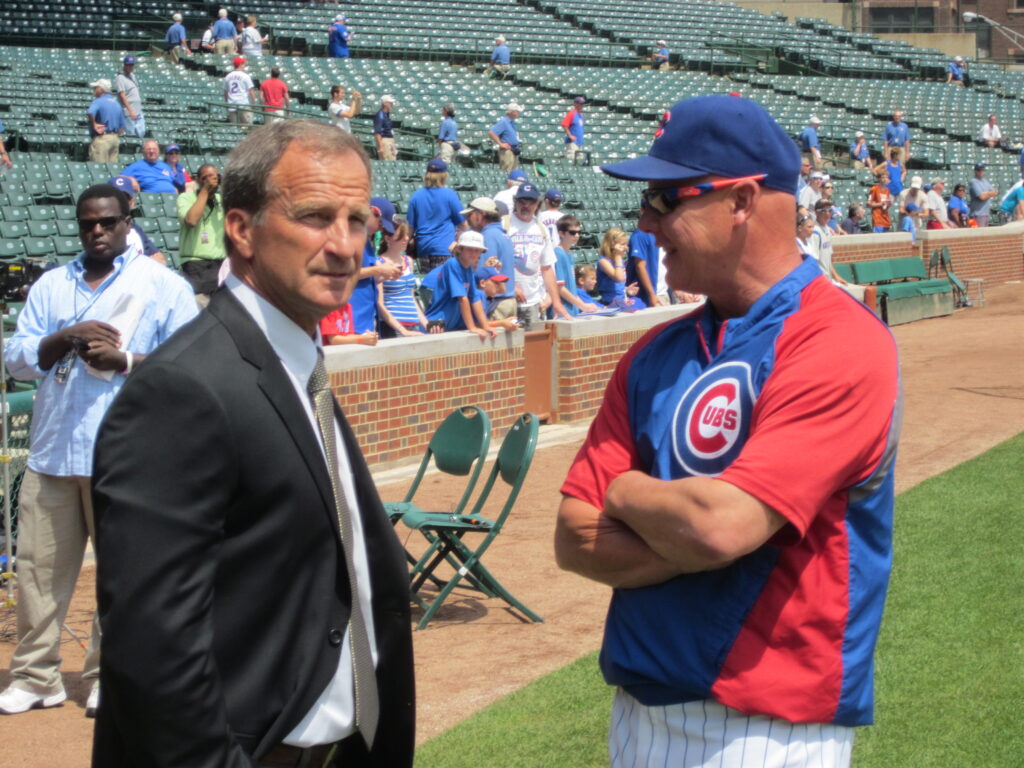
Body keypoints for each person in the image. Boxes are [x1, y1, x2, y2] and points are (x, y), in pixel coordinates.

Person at [556, 94, 901, 768]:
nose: (645, 222)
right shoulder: (653, 354)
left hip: (768, 733)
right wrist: (704, 534)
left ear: (741, 201)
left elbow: (722, 529)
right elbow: (574, 536)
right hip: (636, 715)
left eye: (664, 198)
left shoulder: (839, 341)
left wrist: (625, 494)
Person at [90, 120, 415, 766]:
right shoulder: (182, 389)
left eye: (358, 221)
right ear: (240, 230)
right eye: (317, 216)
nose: (345, 244)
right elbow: (155, 653)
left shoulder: (294, 364)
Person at [0, 183, 197, 720]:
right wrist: (64, 337)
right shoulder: (50, 285)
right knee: (37, 571)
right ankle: (36, 676)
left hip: (126, 455)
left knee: (122, 575)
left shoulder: (161, 284)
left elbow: (191, 368)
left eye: (108, 222)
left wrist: (127, 359)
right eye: (88, 223)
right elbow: (16, 359)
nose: (97, 232)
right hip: (53, 449)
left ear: (128, 219)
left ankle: (110, 677)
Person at [505, 183, 570, 324]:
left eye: (531, 202)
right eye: (522, 201)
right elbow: (493, 262)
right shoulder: (505, 225)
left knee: (533, 344)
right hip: (506, 301)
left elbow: (547, 268)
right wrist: (510, 286)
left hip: (532, 302)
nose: (526, 206)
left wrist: (556, 302)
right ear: (515, 201)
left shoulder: (541, 229)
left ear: (537, 204)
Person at [424, 230, 497, 339]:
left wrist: (485, 326)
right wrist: (472, 328)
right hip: (437, 324)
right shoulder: (453, 263)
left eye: (477, 250)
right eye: (469, 249)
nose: (473, 253)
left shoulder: (468, 269)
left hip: (450, 325)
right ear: (459, 249)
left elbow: (475, 299)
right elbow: (462, 298)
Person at [351, 197, 403, 334]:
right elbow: (344, 275)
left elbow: (364, 279)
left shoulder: (367, 241)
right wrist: (379, 269)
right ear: (371, 212)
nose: (381, 229)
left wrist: (385, 276)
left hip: (366, 319)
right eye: (380, 223)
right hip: (352, 321)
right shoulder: (351, 238)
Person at [406, 157, 466, 272]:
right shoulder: (450, 195)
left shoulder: (416, 196)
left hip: (424, 248)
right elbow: (463, 224)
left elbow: (410, 229)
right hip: (444, 248)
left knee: (428, 285)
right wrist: (458, 242)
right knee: (442, 285)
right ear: (444, 175)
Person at [176, 163, 226, 299]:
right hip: (196, 266)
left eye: (214, 178)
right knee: (200, 308)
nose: (210, 181)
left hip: (220, 265)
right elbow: (191, 221)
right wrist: (205, 191)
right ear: (197, 180)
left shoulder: (222, 201)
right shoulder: (185, 198)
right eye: (206, 178)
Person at [463, 197, 517, 319]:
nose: (467, 220)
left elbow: (484, 276)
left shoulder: (487, 236)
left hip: (496, 303)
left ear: (480, 214)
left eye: (469, 215)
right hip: (508, 301)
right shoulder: (502, 234)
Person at [377, 221, 428, 337]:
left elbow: (411, 297)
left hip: (413, 325)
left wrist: (426, 323)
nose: (406, 238)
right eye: (401, 235)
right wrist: (402, 330)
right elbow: (379, 303)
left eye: (406, 235)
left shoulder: (408, 261)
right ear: (387, 238)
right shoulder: (379, 263)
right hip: (393, 329)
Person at [108, 175, 166, 266]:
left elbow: (160, 260)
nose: (120, 202)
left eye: (125, 198)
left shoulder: (135, 229)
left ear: (132, 203)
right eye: (116, 198)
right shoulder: (101, 230)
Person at [553, 215, 597, 317]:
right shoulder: (558, 253)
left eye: (579, 232)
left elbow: (571, 289)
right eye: (572, 233)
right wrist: (582, 305)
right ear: (561, 233)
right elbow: (560, 288)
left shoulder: (569, 254)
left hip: (572, 310)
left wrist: (584, 305)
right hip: (562, 312)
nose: (577, 235)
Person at [596, 227, 645, 310]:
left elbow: (618, 285)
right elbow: (619, 278)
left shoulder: (619, 261)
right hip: (610, 302)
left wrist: (626, 289)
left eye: (626, 244)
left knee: (641, 305)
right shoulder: (603, 261)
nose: (625, 247)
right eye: (622, 244)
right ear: (612, 245)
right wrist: (618, 256)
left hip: (621, 299)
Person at [87, 79, 125, 163]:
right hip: (114, 139)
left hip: (102, 139)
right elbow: (122, 127)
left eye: (96, 88)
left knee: (99, 168)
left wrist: (94, 124)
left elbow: (90, 112)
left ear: (101, 89)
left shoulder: (98, 101)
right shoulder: (116, 103)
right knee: (112, 170)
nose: (94, 90)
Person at [626, 229, 663, 307]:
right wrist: (652, 295)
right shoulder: (641, 234)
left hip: (665, 293)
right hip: (650, 296)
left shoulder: (666, 234)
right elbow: (640, 266)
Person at [114, 56, 145, 139]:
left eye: (131, 65)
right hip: (128, 112)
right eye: (128, 65)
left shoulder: (132, 76)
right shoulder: (120, 78)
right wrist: (130, 110)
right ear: (124, 65)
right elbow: (122, 95)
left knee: (141, 134)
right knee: (131, 135)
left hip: (138, 111)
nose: (130, 67)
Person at [489, 102, 523, 173]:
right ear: (513, 112)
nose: (518, 113)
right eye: (517, 111)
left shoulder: (511, 123)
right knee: (506, 171)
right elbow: (492, 133)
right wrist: (501, 144)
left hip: (514, 150)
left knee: (513, 173)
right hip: (507, 150)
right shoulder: (504, 122)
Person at [224, 56, 255, 126]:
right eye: (243, 63)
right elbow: (251, 91)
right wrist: (253, 103)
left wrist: (227, 103)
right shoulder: (245, 76)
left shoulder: (228, 76)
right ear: (240, 65)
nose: (244, 65)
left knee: (235, 129)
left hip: (232, 104)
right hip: (243, 104)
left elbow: (225, 92)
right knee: (248, 127)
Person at [968, 162, 997, 227]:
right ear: (975, 171)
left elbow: (994, 192)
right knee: (977, 235)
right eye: (979, 170)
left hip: (986, 213)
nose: (981, 171)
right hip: (977, 214)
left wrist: (986, 194)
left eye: (982, 170)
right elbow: (981, 197)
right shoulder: (973, 182)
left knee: (985, 235)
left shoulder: (986, 181)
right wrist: (989, 193)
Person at [561, 96, 586, 163]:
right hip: (572, 142)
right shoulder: (572, 113)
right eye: (579, 103)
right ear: (575, 104)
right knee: (572, 160)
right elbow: (564, 124)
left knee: (579, 161)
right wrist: (570, 135)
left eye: (582, 104)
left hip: (579, 142)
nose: (581, 105)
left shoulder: (581, 115)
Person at [374, 95, 397, 161]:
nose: (392, 104)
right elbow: (377, 132)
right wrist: (381, 146)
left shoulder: (386, 114)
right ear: (384, 103)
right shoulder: (380, 115)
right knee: (387, 160)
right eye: (390, 102)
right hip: (384, 140)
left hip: (389, 140)